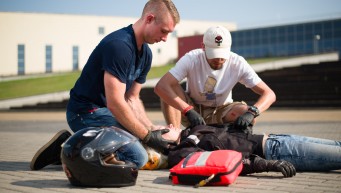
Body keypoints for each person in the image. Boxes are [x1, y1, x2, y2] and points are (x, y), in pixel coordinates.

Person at [30, 0, 180, 171]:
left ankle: (71, 146)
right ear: (149, 19)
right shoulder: (119, 46)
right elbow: (115, 102)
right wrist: (147, 136)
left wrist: (150, 128)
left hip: (108, 114)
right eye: (163, 31)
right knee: (138, 157)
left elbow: (132, 98)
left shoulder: (146, 54)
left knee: (142, 139)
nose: (165, 39)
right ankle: (69, 148)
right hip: (85, 113)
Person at [154, 25, 276, 133]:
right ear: (203, 47)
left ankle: (235, 142)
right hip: (193, 109)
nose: (218, 60)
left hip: (222, 110)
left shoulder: (238, 62)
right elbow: (161, 86)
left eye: (222, 56)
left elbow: (269, 94)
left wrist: (252, 112)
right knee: (169, 88)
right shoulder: (191, 59)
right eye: (214, 55)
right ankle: (176, 138)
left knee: (246, 111)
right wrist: (187, 110)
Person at [162, 122, 341, 172]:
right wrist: (263, 164)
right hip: (275, 151)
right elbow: (220, 163)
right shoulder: (181, 153)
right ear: (164, 143)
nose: (169, 125)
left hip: (277, 137)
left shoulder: (193, 129)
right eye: (163, 130)